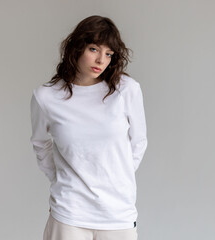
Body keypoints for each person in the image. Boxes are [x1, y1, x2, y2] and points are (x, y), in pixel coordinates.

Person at [30, 15, 148, 240]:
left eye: (108, 53)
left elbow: (139, 141)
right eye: (94, 49)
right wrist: (60, 181)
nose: (101, 60)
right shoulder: (46, 97)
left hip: (117, 213)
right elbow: (39, 143)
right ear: (76, 48)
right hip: (69, 212)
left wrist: (116, 177)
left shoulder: (126, 90)